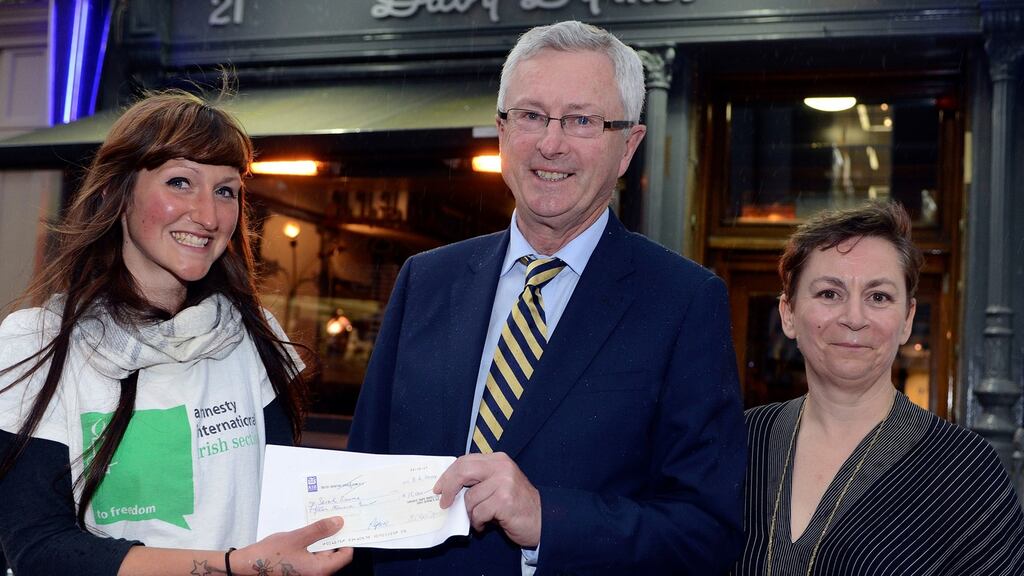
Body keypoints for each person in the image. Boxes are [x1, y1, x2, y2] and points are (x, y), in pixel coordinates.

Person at [347, 20, 746, 575]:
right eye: (531, 116)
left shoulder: (683, 303)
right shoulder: (424, 281)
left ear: (628, 145)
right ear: (503, 131)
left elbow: (706, 533)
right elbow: (363, 480)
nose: (550, 143)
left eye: (582, 120)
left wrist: (546, 519)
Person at [0, 91, 353, 575]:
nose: (208, 216)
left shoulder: (254, 337)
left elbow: (282, 509)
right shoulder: (38, 342)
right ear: (117, 193)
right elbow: (39, 548)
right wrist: (232, 566)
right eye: (181, 182)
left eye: (225, 190)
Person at [733, 202, 1024, 575]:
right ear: (788, 313)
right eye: (829, 294)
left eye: (879, 297)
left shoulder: (964, 471)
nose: (854, 318)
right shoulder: (738, 441)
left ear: (907, 320)